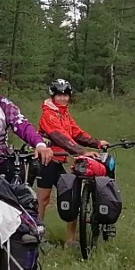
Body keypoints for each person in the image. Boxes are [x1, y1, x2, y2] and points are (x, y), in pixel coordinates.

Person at [36, 78, 110, 244]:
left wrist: (97, 143)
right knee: (43, 199)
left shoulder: (64, 114)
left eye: (66, 95)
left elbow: (76, 133)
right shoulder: (48, 114)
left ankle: (70, 240)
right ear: (53, 96)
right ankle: (37, 236)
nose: (63, 98)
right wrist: (82, 152)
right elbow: (60, 137)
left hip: (60, 161)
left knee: (72, 198)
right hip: (47, 160)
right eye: (59, 95)